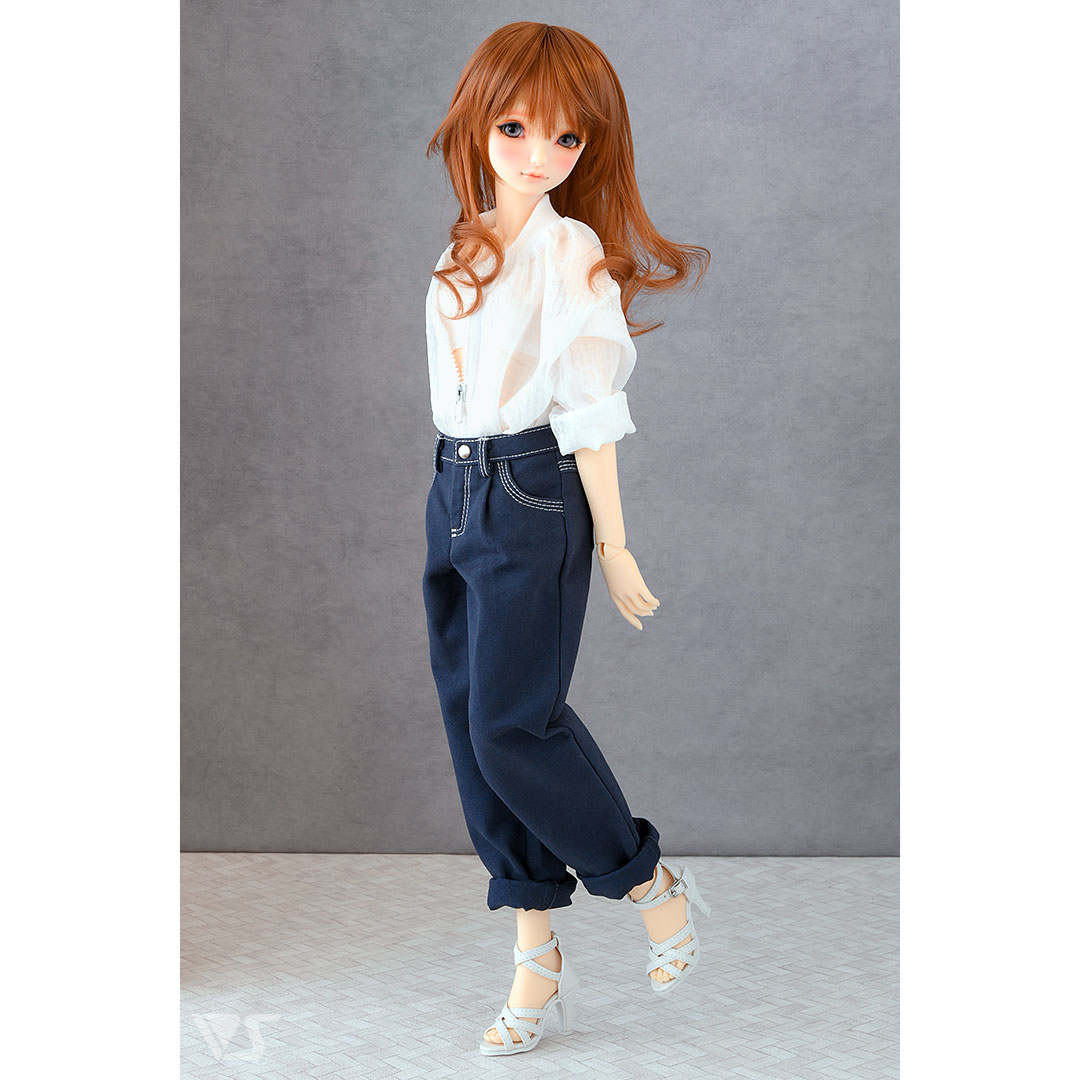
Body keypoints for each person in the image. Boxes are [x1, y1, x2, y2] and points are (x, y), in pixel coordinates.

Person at [421, 21, 711, 1056]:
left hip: (530, 490)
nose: (537, 154)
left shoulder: (571, 251)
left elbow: (589, 409)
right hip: (453, 487)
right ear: (477, 123)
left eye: (565, 138)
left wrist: (616, 545)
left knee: (514, 723)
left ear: (588, 148)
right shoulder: (463, 245)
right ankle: (534, 959)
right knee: (473, 730)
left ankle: (646, 880)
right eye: (514, 128)